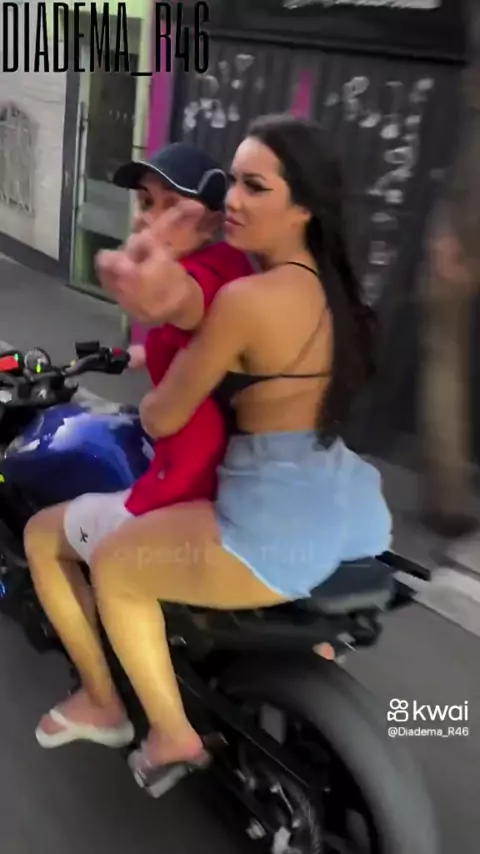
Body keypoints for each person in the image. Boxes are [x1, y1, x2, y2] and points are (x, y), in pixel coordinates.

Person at [24, 115, 392, 794]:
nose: (235, 202)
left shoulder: (246, 296)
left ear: (304, 206)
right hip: (347, 504)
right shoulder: (332, 290)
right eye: (234, 185)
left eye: (256, 187)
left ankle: (155, 726)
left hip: (270, 523)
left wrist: (158, 313)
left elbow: (163, 412)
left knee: (115, 568)